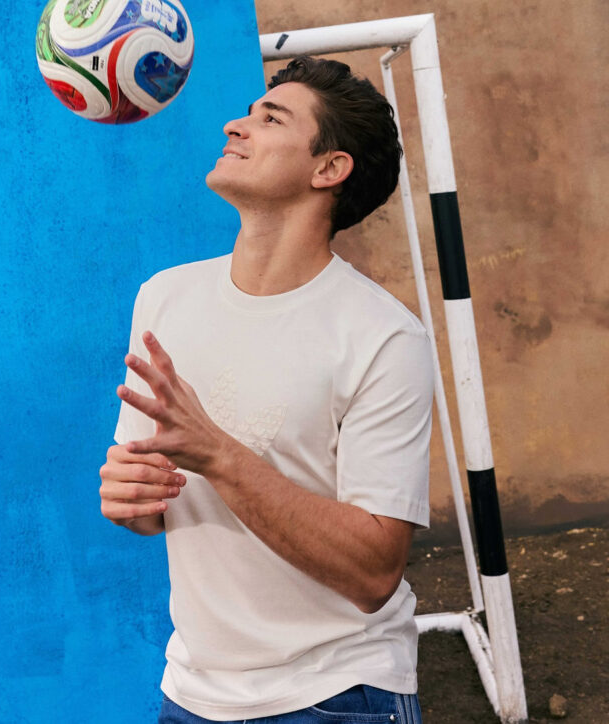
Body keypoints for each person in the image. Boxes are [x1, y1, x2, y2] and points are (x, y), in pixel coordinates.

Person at [99, 56, 433, 724]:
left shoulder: (384, 337)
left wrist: (220, 456)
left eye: (270, 118)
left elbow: (374, 573)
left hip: (337, 693)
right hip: (192, 693)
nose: (235, 125)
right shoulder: (164, 298)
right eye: (249, 112)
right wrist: (129, 498)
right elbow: (152, 502)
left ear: (328, 169)